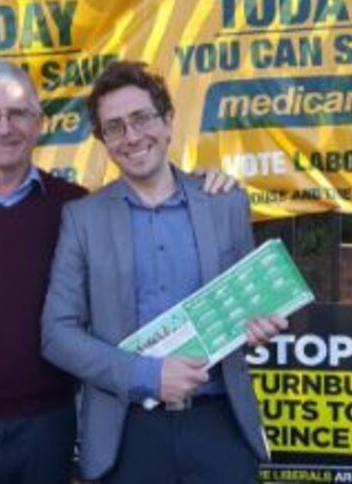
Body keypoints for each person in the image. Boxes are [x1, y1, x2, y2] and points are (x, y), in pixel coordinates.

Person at [0, 60, 238, 484]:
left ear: (39, 123)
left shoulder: (74, 208)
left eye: (19, 114)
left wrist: (203, 184)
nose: (4, 127)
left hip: (47, 429)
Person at [41, 60, 288, 484]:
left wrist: (262, 323)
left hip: (220, 424)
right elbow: (56, 335)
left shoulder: (225, 202)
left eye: (141, 118)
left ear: (169, 120)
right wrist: (148, 376)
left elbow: (252, 306)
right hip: (127, 431)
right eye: (114, 127)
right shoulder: (82, 219)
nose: (132, 136)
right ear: (103, 140)